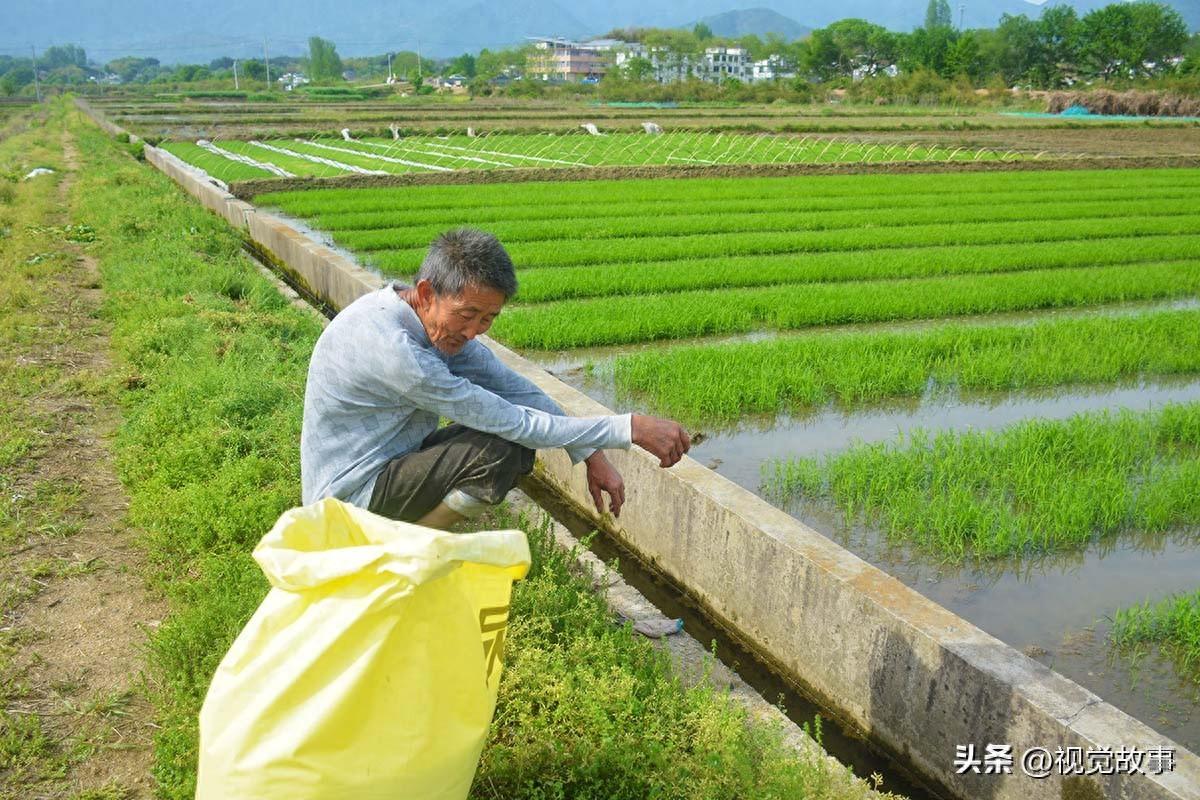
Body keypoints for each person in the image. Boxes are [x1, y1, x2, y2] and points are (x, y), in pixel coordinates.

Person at [300, 227, 691, 530]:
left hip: (385, 463)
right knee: (501, 449)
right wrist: (630, 428)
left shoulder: (421, 317)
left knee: (516, 441)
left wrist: (592, 454)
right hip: (346, 499)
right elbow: (512, 421)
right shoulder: (398, 351)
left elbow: (515, 390)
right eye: (467, 314)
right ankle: (405, 549)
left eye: (487, 319)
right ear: (426, 292)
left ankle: (407, 537)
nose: (473, 331)